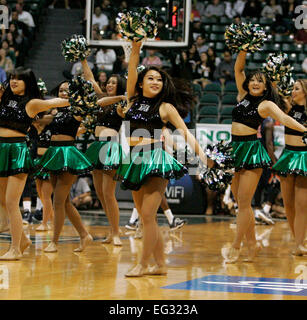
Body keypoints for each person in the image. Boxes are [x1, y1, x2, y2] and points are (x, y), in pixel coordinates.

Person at [115, 40, 212, 277]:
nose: (155, 82)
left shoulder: (166, 107)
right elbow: (131, 69)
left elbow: (186, 133)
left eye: (159, 79)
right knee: (148, 219)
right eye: (150, 78)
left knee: (147, 216)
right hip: (133, 160)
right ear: (141, 83)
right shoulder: (132, 100)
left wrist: (205, 158)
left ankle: (143, 263)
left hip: (155, 159)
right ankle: (160, 265)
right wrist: (136, 46)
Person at [224, 50, 307, 264]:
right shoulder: (242, 97)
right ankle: (252, 245)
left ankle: (236, 245)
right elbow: (238, 69)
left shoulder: (266, 104)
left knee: (243, 202)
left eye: (260, 81)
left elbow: (285, 119)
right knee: (240, 202)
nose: (254, 83)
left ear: (265, 86)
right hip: (235, 150)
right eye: (252, 80)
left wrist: (304, 130)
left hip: (252, 151)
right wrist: (242, 49)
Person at [0, 67, 75, 260]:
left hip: (16, 151)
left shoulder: (32, 103)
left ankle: (16, 249)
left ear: (28, 82)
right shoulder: (4, 98)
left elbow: (56, 101)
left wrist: (79, 97)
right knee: (2, 201)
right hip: (1, 150)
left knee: (11, 202)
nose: (13, 81)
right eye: (11, 78)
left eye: (18, 79)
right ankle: (23, 240)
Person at [35, 80, 94, 253]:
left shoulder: (76, 110)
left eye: (67, 91)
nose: (63, 93)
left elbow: (97, 103)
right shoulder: (54, 110)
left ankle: (54, 241)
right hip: (53, 153)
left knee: (58, 201)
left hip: (68, 154)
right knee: (65, 202)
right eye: (61, 90)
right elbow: (38, 120)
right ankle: (84, 235)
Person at [81, 59, 126, 246]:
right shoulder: (103, 99)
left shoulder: (121, 105)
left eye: (113, 83)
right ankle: (112, 230)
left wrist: (124, 97)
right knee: (100, 194)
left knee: (108, 194)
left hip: (110, 147)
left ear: (120, 87)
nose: (109, 84)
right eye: (108, 82)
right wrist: (83, 58)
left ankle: (116, 233)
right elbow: (90, 78)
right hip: (96, 146)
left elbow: (124, 105)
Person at [272, 79, 307, 256]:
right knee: (288, 205)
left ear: (305, 92)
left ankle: (300, 243)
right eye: (292, 88)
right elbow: (273, 95)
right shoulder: (288, 108)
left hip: (304, 158)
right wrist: (275, 79)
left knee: (302, 205)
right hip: (288, 156)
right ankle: (298, 240)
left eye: (296, 89)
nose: (293, 92)